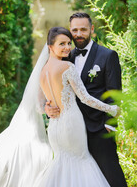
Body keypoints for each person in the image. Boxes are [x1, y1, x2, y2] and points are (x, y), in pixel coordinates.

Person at [0, 26, 120, 187]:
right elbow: (85, 98)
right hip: (72, 123)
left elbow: (40, 103)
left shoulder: (43, 71)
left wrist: (46, 109)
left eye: (69, 43)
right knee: (81, 162)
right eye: (62, 44)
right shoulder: (68, 66)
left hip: (55, 127)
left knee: (60, 164)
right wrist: (111, 108)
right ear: (50, 46)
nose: (67, 47)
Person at [45, 13, 127, 187]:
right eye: (74, 30)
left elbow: (115, 93)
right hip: (72, 130)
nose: (78, 34)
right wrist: (48, 108)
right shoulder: (66, 56)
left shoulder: (107, 56)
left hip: (98, 128)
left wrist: (110, 125)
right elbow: (56, 88)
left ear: (91, 30)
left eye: (83, 29)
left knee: (112, 177)